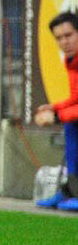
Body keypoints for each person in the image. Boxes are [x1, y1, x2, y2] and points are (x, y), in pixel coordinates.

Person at [34, 11, 78, 211]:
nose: (64, 42)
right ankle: (71, 190)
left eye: (68, 35)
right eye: (59, 38)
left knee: (70, 123)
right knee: (71, 126)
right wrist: (55, 107)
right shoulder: (71, 61)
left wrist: (57, 116)